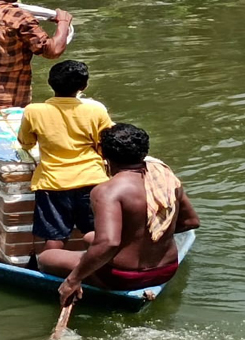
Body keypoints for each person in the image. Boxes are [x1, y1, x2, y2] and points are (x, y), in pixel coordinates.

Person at [40, 123, 201, 300]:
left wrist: (73, 279)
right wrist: (146, 237)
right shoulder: (165, 179)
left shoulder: (107, 191)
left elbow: (109, 242)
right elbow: (191, 222)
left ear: (103, 154)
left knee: (47, 257)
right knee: (88, 238)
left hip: (123, 277)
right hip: (166, 270)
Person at [17, 60, 113, 254]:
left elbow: (25, 143)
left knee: (55, 238)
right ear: (83, 86)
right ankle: (99, 267)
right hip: (92, 180)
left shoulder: (33, 111)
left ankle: (51, 270)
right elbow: (106, 145)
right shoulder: (96, 110)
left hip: (53, 183)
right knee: (95, 232)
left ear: (50, 83)